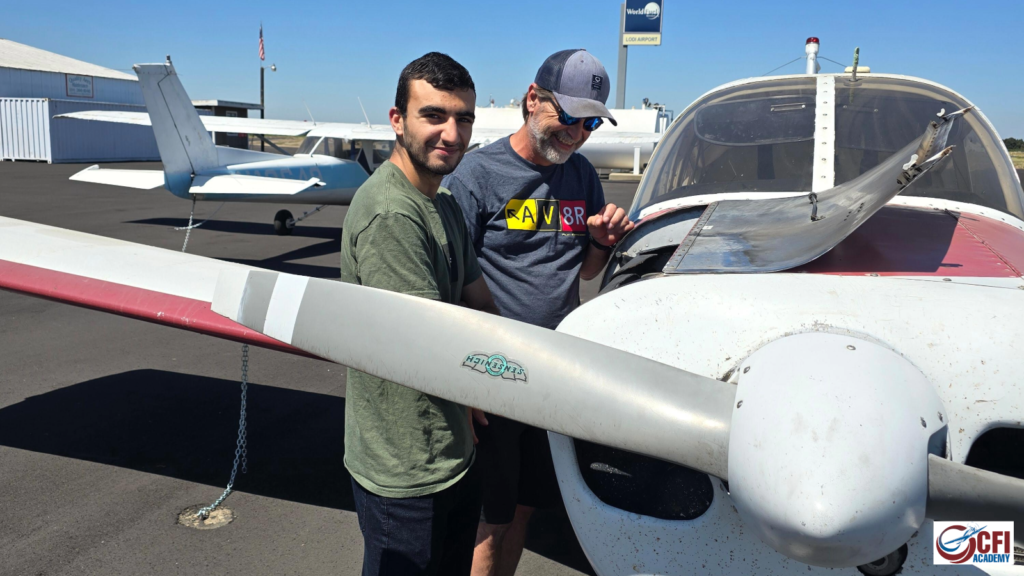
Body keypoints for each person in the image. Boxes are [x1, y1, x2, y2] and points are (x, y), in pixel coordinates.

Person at [441, 49, 635, 576]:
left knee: (524, 509)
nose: (576, 133)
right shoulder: (477, 176)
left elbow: (587, 275)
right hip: (496, 375)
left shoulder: (583, 178)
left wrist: (600, 241)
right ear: (533, 99)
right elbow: (449, 284)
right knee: (488, 524)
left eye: (590, 122)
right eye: (567, 116)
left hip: (553, 378)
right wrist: (462, 383)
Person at [339, 52, 499, 576]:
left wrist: (477, 393)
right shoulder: (391, 213)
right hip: (405, 470)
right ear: (397, 120)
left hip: (454, 451)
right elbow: (428, 347)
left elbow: (480, 303)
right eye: (434, 115)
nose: (453, 133)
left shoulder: (445, 203)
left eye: (464, 118)